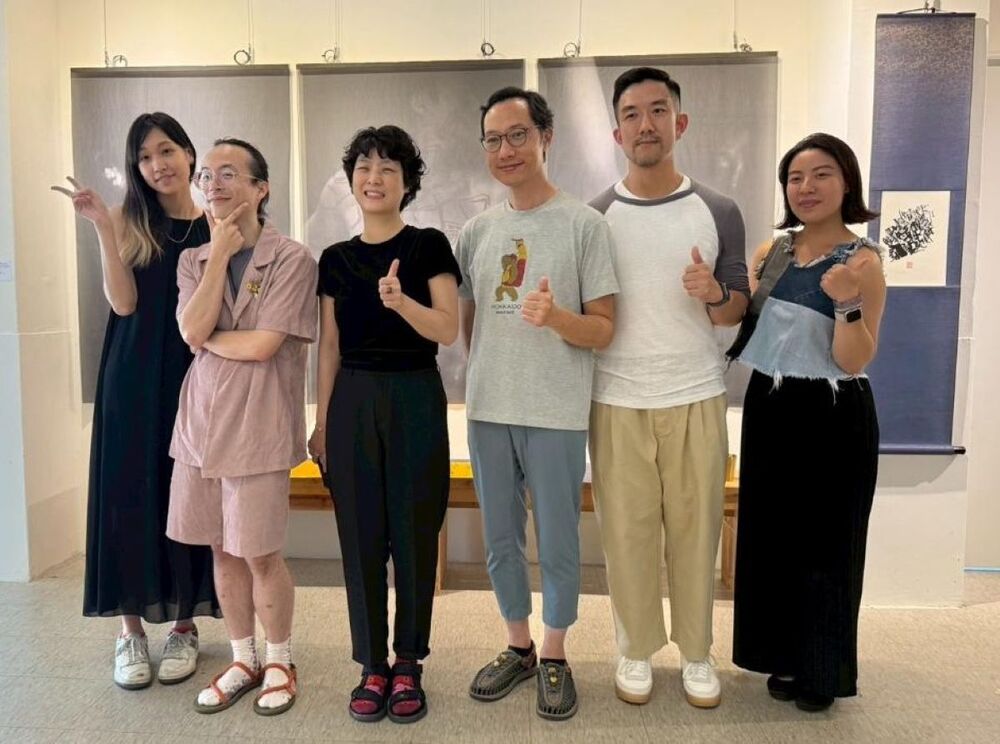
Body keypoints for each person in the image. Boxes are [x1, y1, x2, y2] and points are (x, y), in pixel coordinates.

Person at [587, 67, 749, 709]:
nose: (645, 124)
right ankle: (634, 648)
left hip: (696, 395)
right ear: (617, 133)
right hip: (617, 398)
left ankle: (697, 653)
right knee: (626, 535)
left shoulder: (719, 209)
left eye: (658, 111)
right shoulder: (595, 217)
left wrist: (714, 292)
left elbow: (735, 308)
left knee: (695, 530)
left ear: (679, 123)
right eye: (631, 114)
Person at [457, 87, 619, 721]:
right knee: (500, 537)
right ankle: (518, 645)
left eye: (518, 135)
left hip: (556, 410)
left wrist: (556, 319)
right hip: (489, 409)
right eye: (493, 140)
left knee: (556, 538)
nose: (506, 150)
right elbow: (471, 327)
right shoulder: (476, 231)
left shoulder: (584, 225)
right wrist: (489, 377)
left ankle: (554, 652)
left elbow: (603, 329)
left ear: (546, 137)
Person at [55, 112, 220, 691]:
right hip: (130, 373)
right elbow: (123, 304)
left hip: (192, 375)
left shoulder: (214, 224)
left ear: (189, 153)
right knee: (126, 492)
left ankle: (183, 625)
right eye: (145, 157)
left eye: (167, 150)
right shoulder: (129, 219)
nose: (158, 164)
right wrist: (103, 227)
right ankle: (129, 631)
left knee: (184, 495)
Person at [307, 125, 460, 724]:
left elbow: (447, 329)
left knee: (415, 533)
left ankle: (409, 663)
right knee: (361, 536)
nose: (374, 178)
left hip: (415, 394)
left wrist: (401, 303)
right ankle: (372, 664)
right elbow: (328, 347)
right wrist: (322, 422)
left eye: (388, 168)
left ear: (406, 182)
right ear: (351, 180)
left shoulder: (428, 245)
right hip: (352, 399)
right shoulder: (335, 259)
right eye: (364, 168)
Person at [731, 132, 885, 713]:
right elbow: (744, 322)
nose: (807, 187)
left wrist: (846, 302)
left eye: (821, 174)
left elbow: (855, 360)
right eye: (795, 177)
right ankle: (783, 656)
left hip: (834, 412)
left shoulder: (863, 262)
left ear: (847, 183)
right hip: (770, 404)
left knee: (828, 543)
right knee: (771, 537)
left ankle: (822, 670)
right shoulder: (771, 253)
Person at [166, 138, 317, 716]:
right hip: (201, 424)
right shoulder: (193, 261)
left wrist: (207, 339)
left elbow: (263, 346)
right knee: (220, 549)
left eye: (229, 174)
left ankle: (279, 659)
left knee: (259, 553)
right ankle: (243, 658)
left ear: (261, 188)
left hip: (258, 424)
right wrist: (218, 257)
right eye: (206, 175)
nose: (213, 184)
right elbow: (190, 330)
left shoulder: (292, 259)